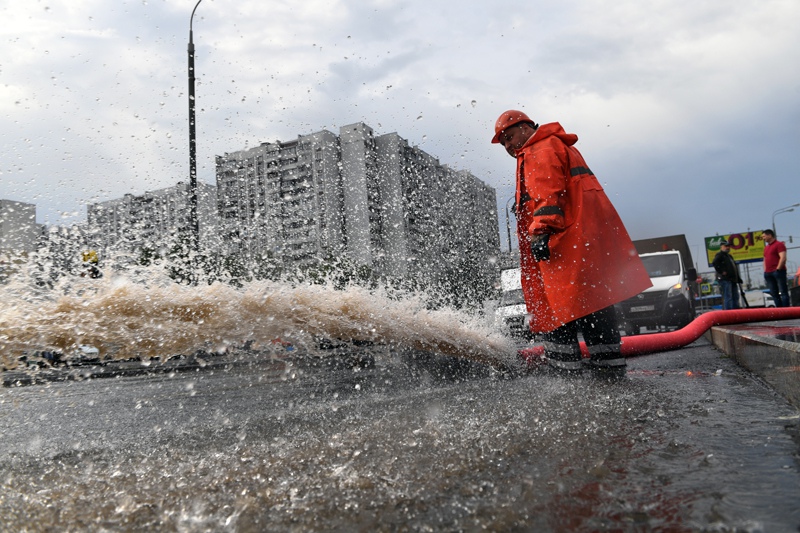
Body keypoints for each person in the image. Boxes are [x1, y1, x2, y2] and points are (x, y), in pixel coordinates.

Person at [491, 110, 651, 377]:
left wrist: (541, 231)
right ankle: (609, 375)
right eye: (504, 142)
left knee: (558, 311)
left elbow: (547, 192)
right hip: (582, 242)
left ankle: (568, 381)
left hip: (562, 245)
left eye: (509, 137)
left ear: (526, 128)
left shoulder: (538, 149)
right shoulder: (557, 145)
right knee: (594, 306)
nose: (508, 146)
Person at [761, 229, 790, 307]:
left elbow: (783, 257)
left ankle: (786, 310)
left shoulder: (779, 244)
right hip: (768, 273)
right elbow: (764, 260)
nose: (763, 238)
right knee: (774, 293)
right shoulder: (766, 248)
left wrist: (778, 269)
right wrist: (765, 271)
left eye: (764, 236)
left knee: (783, 291)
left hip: (778, 272)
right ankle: (779, 310)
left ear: (770, 235)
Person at [712, 240, 742, 309]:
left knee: (735, 296)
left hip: (732, 279)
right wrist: (721, 271)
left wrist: (738, 278)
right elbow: (715, 263)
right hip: (725, 279)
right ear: (721, 247)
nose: (727, 247)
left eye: (728, 246)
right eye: (726, 246)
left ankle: (736, 311)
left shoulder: (729, 256)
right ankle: (729, 313)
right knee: (728, 296)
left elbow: (733, 268)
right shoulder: (720, 255)